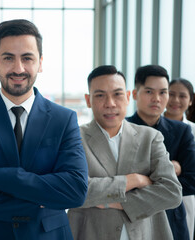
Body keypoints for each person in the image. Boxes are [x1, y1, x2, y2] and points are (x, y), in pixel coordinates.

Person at [0, 19, 88, 240]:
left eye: (27, 58)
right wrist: (37, 201)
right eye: (8, 58)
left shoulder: (64, 119)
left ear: (40, 63)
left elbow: (75, 191)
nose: (18, 68)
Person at [67, 65, 182, 240]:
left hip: (146, 234)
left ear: (128, 97)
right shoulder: (74, 138)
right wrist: (132, 180)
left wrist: (114, 202)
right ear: (88, 100)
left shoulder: (150, 138)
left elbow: (171, 192)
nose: (110, 103)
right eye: (100, 95)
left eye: (117, 94)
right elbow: (75, 191)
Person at [127, 65, 195, 240]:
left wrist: (140, 180)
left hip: (171, 220)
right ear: (135, 94)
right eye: (149, 92)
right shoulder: (121, 129)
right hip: (129, 218)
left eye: (163, 92)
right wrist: (166, 178)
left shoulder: (182, 131)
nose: (157, 99)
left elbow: (192, 180)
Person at [164, 78, 195, 240]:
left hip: (186, 198)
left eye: (182, 96)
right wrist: (174, 167)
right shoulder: (148, 127)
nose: (175, 100)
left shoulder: (193, 130)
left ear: (191, 100)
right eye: (170, 94)